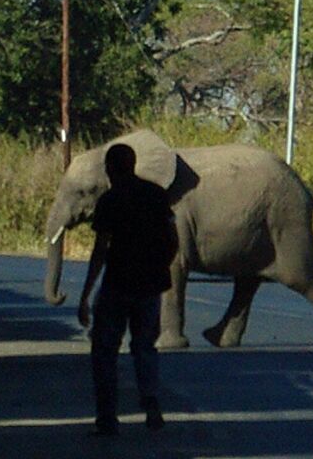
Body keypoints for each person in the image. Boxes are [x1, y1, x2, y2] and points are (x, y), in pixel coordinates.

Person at [77, 143, 176, 436]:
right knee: (145, 346)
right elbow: (173, 239)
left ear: (110, 168)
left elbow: (100, 248)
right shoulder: (157, 195)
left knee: (105, 350)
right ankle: (151, 402)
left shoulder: (110, 200)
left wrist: (85, 294)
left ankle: (107, 417)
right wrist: (161, 266)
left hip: (117, 284)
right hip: (150, 285)